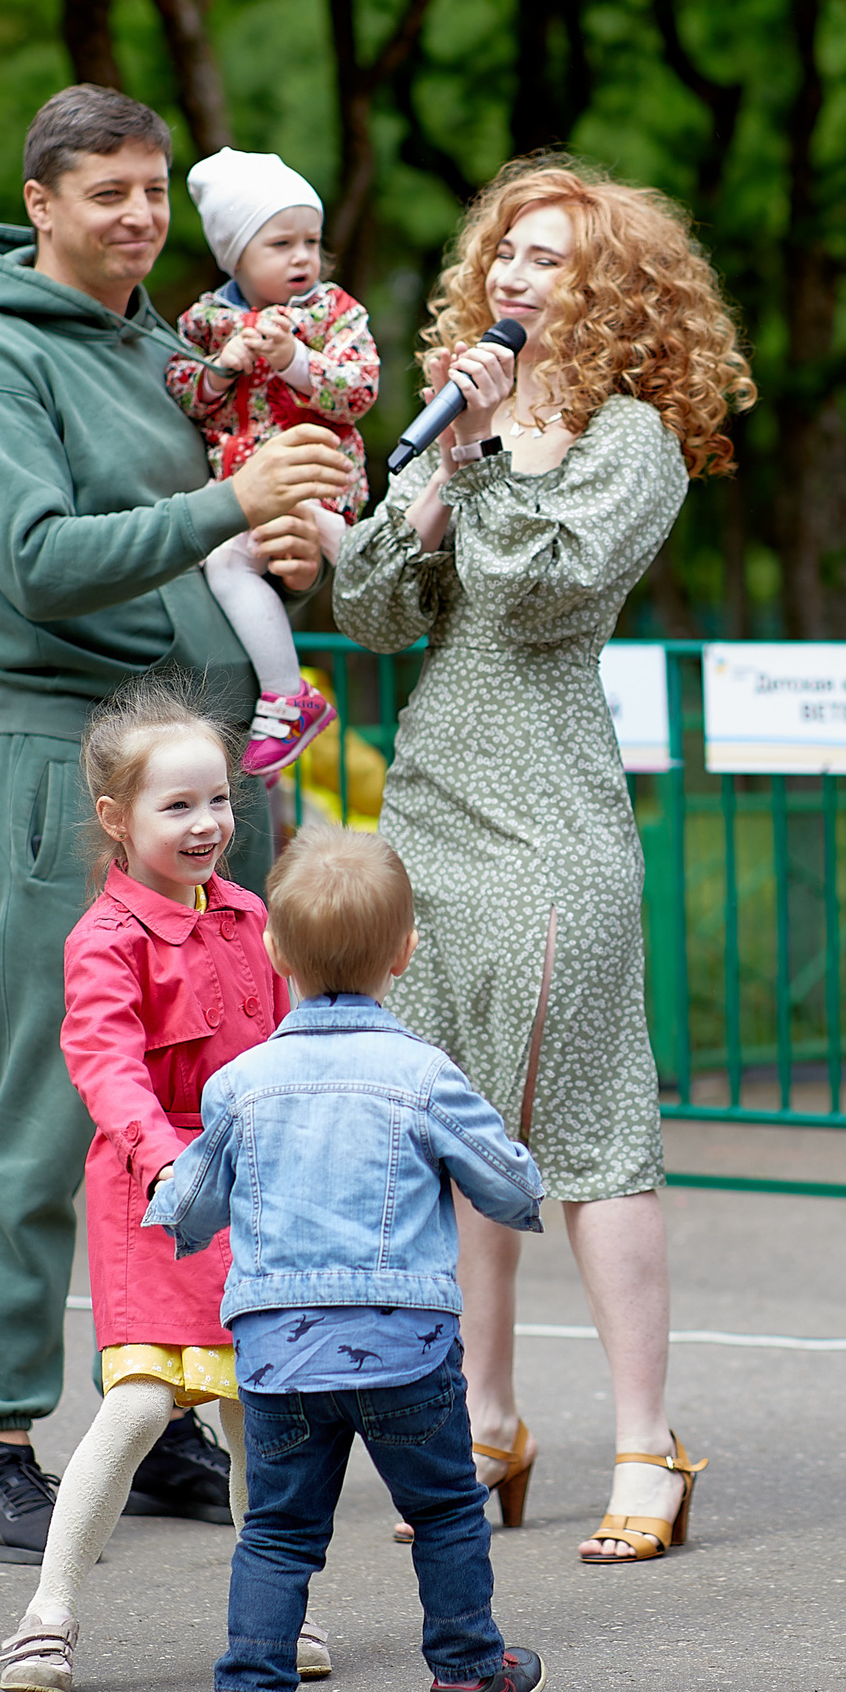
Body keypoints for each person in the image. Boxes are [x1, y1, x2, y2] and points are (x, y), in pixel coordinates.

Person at [0, 85, 353, 1565]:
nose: (141, 217)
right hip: (75, 773)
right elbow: (37, 565)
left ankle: (155, 1408)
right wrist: (230, 509)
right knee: (53, 1097)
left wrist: (282, 538)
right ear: (39, 202)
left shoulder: (166, 347)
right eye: (107, 192)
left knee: (212, 1094)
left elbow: (213, 540)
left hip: (210, 772)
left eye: (156, 190)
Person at [334, 155, 754, 1563]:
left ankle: (648, 1439)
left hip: (549, 816)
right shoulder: (469, 415)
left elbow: (540, 593)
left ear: (613, 293)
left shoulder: (629, 436)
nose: (517, 276)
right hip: (433, 808)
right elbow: (377, 611)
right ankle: (484, 1424)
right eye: (507, 252)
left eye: (554, 259)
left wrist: (508, 458)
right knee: (450, 1137)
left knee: (587, 1132)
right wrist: (438, 479)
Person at [147, 824, 548, 1692]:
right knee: (446, 1511)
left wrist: (171, 1205)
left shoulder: (241, 1083)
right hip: (406, 1350)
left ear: (275, 951)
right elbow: (511, 1189)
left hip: (281, 1358)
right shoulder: (423, 1075)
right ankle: (466, 1680)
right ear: (406, 950)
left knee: (280, 1533)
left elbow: (191, 1207)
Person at [0, 680, 332, 1692]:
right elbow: (105, 1063)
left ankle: (274, 1612)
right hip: (156, 1196)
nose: (207, 825)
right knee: (142, 1400)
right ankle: (47, 1614)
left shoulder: (250, 914)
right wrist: (166, 1161)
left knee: (256, 1413)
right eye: (176, 806)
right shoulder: (103, 938)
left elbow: (288, 1043)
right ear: (115, 818)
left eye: (219, 801)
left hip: (256, 1190)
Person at [167, 148, 381, 774]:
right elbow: (184, 395)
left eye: (310, 241)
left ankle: (395, 594)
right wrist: (222, 368)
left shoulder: (333, 312)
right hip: (246, 493)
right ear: (236, 254)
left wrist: (294, 360)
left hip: (320, 479)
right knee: (227, 565)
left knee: (340, 549)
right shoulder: (206, 323)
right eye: (280, 243)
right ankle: (289, 693)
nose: (301, 258)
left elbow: (360, 389)